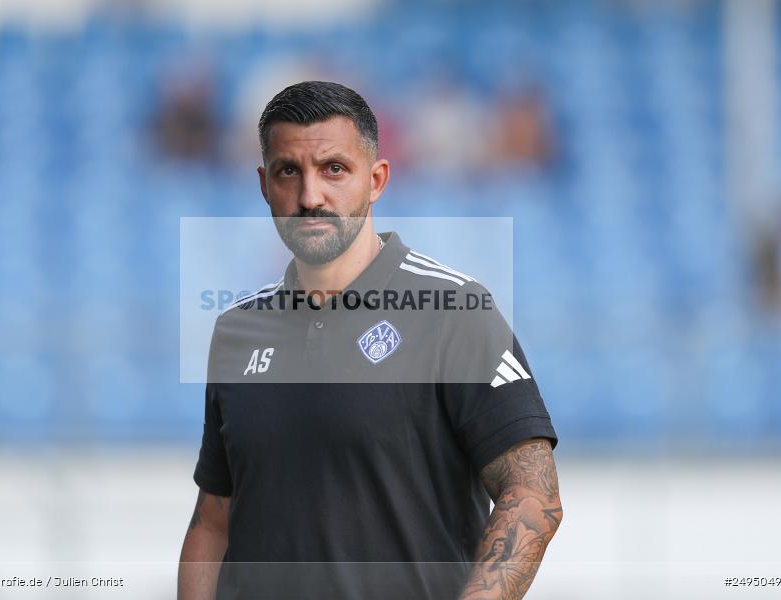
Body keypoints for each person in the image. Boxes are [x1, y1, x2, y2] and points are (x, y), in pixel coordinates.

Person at [178, 81, 562, 600]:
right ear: (264, 184)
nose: (310, 196)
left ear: (376, 179)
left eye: (334, 169)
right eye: (289, 171)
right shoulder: (235, 331)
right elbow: (213, 520)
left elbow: (533, 494)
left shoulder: (455, 310)